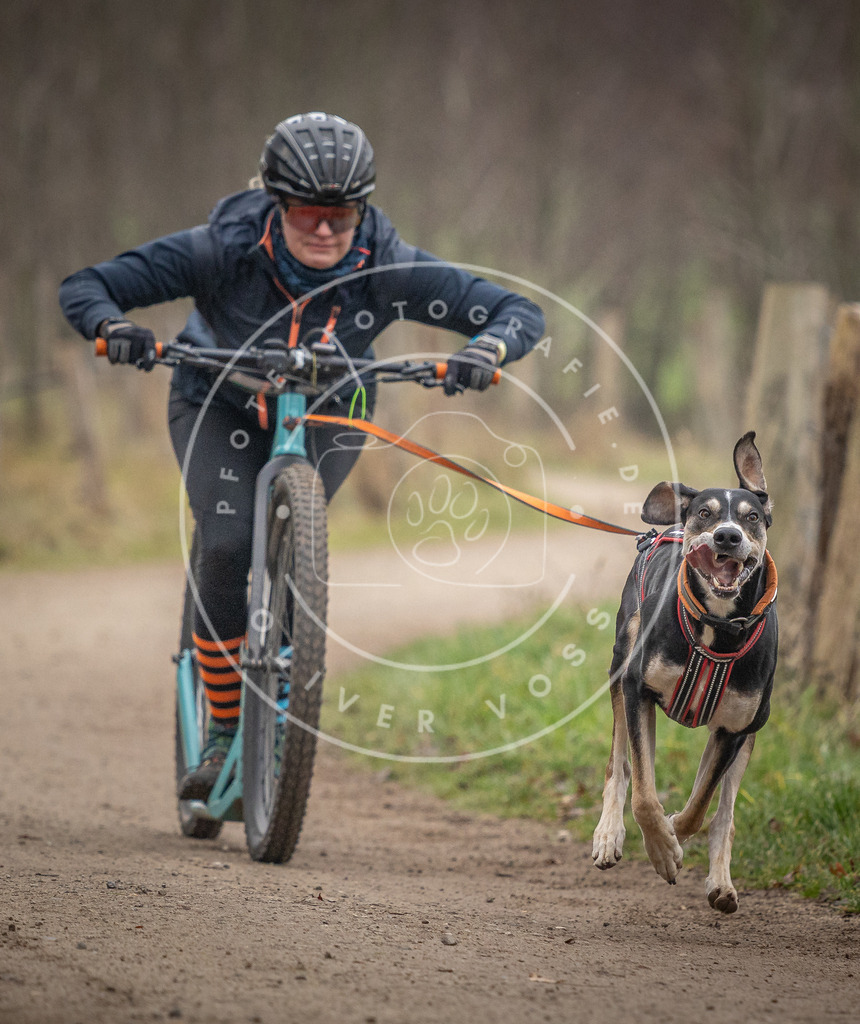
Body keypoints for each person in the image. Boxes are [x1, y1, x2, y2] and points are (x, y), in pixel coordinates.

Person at [59, 112, 545, 799]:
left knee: (290, 543)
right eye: (310, 213)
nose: (325, 230)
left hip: (330, 409)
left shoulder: (390, 264)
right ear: (277, 204)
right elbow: (85, 285)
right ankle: (226, 725)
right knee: (227, 543)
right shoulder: (219, 248)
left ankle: (285, 679)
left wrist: (483, 351)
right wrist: (114, 327)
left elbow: (516, 311)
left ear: (362, 210)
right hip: (216, 400)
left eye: (342, 216)